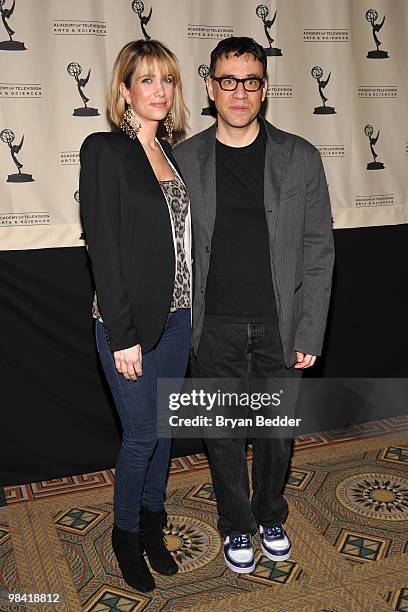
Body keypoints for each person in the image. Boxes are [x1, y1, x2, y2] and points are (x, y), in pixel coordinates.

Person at [173, 37, 334, 574]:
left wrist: (311, 331)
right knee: (221, 437)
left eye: (250, 81)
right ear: (210, 87)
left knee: (277, 437)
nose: (238, 91)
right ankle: (235, 525)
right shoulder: (184, 159)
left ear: (264, 90)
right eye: (227, 80)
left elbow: (317, 249)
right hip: (211, 327)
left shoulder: (301, 157)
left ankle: (269, 515)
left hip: (280, 328)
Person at [79, 39, 191, 592]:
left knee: (164, 433)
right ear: (124, 90)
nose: (160, 91)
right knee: (142, 434)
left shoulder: (172, 154)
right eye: (146, 80)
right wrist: (122, 333)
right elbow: (103, 245)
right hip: (128, 326)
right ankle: (125, 535)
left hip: (178, 318)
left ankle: (153, 526)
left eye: (167, 80)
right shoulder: (104, 150)